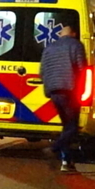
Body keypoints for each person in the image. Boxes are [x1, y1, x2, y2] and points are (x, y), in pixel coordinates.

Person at [40, 20, 86, 173]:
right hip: (69, 90)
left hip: (54, 91)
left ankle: (66, 162)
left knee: (67, 126)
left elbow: (42, 72)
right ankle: (55, 148)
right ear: (73, 33)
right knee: (72, 127)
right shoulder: (75, 45)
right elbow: (82, 68)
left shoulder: (49, 48)